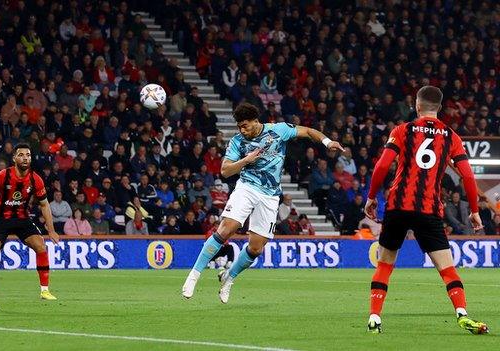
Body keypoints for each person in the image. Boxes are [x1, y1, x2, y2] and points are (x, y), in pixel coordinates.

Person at [182, 102, 343, 302]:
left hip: (270, 195)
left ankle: (228, 277)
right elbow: (225, 170)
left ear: (256, 121)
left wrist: (328, 142)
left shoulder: (278, 131)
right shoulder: (237, 141)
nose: (242, 130)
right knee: (227, 228)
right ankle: (193, 275)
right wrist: (245, 161)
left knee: (256, 248)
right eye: (239, 126)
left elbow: (309, 131)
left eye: (245, 126)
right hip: (247, 187)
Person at [364, 86, 487, 334]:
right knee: (446, 267)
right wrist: (474, 210)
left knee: (386, 263)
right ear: (439, 108)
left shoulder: (401, 131)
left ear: (417, 106)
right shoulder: (452, 137)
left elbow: (381, 166)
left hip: (399, 205)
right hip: (428, 208)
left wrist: (371, 197)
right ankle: (462, 313)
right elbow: (467, 176)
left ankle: (375, 317)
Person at [0, 143, 60, 300]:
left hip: (22, 218)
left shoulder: (35, 179)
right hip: (1, 219)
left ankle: (45, 290)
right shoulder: (3, 175)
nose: (25, 158)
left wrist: (51, 230)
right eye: (21, 155)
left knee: (40, 245)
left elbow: (44, 205)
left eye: (28, 155)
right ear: (14, 158)